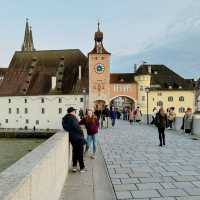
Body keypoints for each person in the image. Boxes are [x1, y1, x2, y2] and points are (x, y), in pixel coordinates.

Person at [62, 107, 86, 173]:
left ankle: (74, 167)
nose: (75, 113)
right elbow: (76, 126)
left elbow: (65, 127)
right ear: (72, 112)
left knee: (75, 152)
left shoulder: (64, 119)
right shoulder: (73, 118)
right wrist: (81, 133)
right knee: (80, 153)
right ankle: (82, 167)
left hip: (72, 138)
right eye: (75, 111)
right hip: (78, 138)